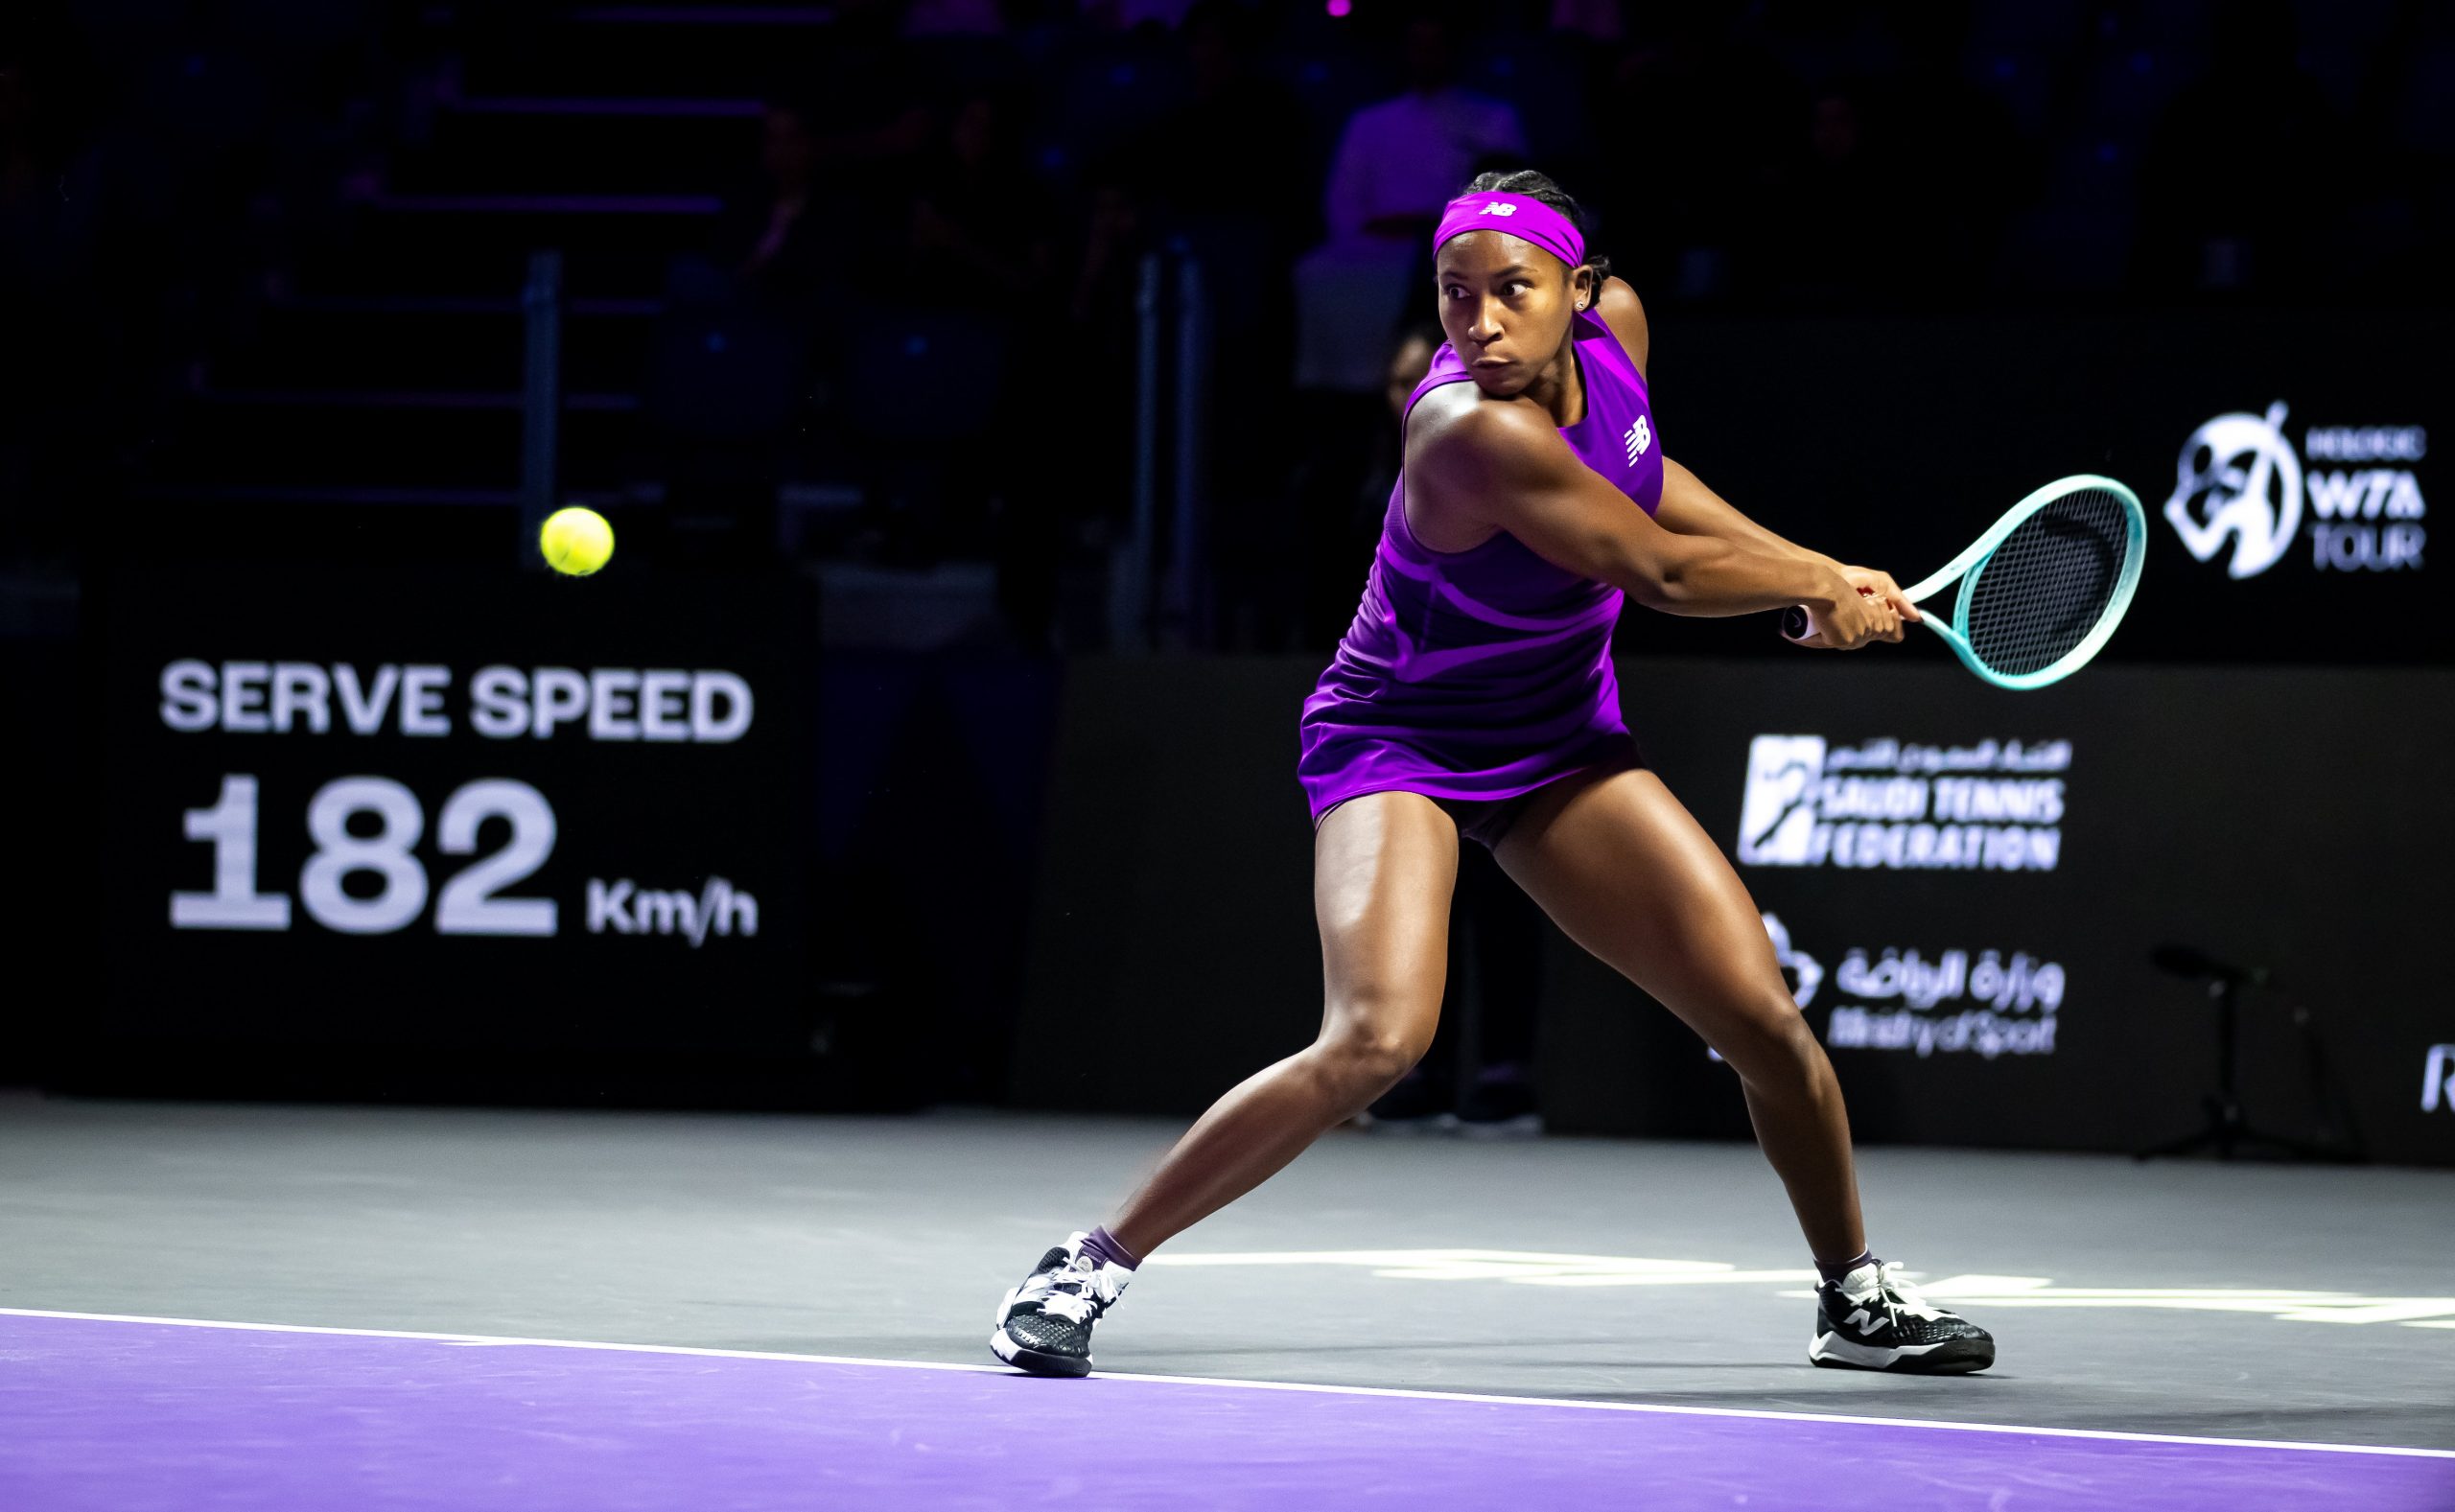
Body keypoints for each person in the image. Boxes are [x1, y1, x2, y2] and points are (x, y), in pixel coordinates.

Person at [991, 170, 1995, 1380]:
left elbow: (1645, 479)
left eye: (1509, 292)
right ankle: (1087, 1263)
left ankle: (1853, 1297)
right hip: (1397, 738)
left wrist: (1816, 566)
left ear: (1579, 292)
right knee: (1375, 1036)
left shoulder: (1616, 332)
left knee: (1763, 1022)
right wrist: (1808, 593)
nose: (1477, 324)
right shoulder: (1463, 427)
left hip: (1559, 738)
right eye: (1452, 295)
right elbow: (1657, 571)